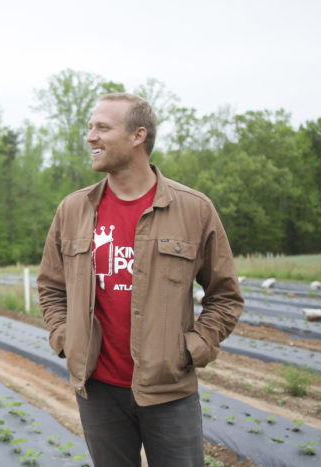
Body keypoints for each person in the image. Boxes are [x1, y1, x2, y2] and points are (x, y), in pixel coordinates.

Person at [37, 93, 244, 466]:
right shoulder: (73, 210)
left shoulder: (193, 209)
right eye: (90, 127)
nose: (90, 137)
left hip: (169, 391)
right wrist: (65, 337)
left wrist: (194, 347)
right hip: (98, 392)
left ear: (138, 136)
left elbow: (225, 296)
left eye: (103, 128)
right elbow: (52, 287)